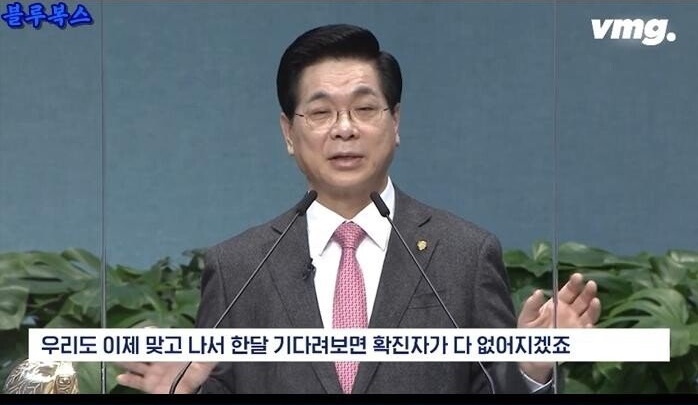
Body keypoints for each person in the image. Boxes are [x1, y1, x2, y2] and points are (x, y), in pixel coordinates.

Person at [117, 23, 600, 394]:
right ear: (289, 133)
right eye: (320, 112)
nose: (344, 128)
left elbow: (492, 388)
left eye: (365, 109)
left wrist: (529, 367)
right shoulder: (238, 267)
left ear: (395, 122)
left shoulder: (464, 254)